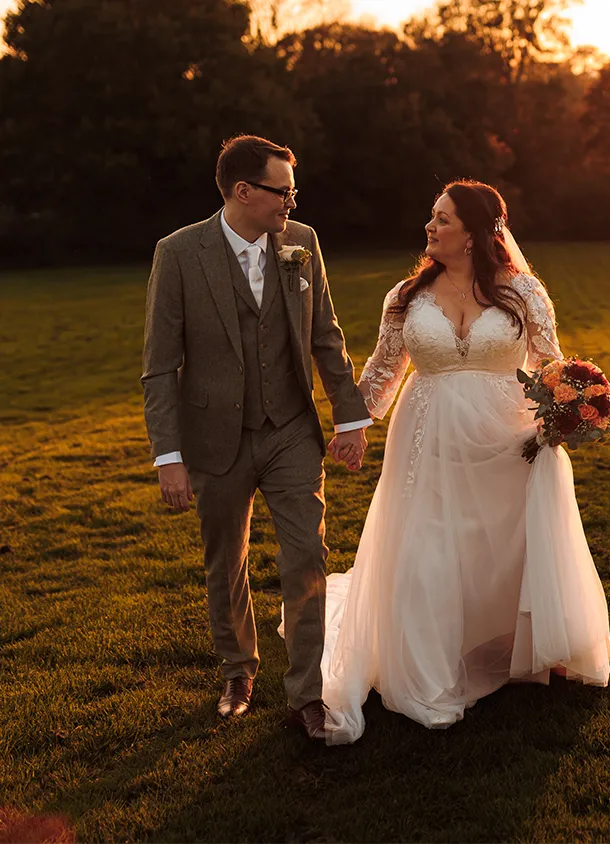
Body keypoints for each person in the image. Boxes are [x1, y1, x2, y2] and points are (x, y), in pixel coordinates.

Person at [307, 179, 610, 744]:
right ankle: (427, 668)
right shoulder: (405, 296)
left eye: (443, 219)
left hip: (510, 440)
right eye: (432, 217)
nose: (430, 227)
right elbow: (382, 371)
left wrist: (575, 408)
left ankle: (519, 648)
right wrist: (354, 425)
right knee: (428, 544)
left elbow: (553, 366)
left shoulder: (524, 294)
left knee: (505, 546)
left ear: (474, 234)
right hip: (428, 437)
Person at [142, 135, 371, 740]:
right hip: (215, 437)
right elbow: (161, 363)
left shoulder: (302, 243)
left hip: (293, 428)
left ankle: (306, 694)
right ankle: (238, 670)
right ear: (243, 191)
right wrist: (169, 456)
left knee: (306, 558)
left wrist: (350, 417)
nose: (292, 202)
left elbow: (325, 332)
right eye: (283, 191)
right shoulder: (179, 254)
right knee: (228, 560)